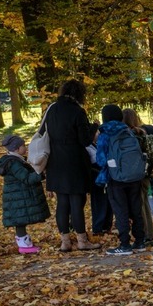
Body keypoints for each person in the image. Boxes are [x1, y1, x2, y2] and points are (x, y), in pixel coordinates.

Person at [43, 79, 99, 251]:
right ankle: (82, 241)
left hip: (55, 161)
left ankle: (65, 241)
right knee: (76, 201)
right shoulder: (77, 112)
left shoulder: (51, 110)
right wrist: (94, 126)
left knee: (62, 202)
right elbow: (84, 140)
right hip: (74, 161)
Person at [95, 104, 147, 256]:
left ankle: (125, 243)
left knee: (121, 210)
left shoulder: (105, 134)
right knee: (136, 209)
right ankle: (140, 240)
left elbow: (100, 159)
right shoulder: (129, 131)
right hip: (134, 175)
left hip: (116, 178)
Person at [0, 134, 49, 254]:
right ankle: (24, 246)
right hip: (18, 197)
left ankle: (25, 244)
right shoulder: (14, 163)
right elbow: (26, 178)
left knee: (20, 220)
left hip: (17, 196)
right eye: (23, 145)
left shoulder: (16, 160)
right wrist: (41, 174)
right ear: (16, 149)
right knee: (20, 220)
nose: (26, 147)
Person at [123, 109, 153, 247]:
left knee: (139, 205)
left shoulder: (128, 136)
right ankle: (149, 233)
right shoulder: (143, 134)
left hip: (133, 173)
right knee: (145, 205)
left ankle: (144, 233)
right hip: (145, 172)